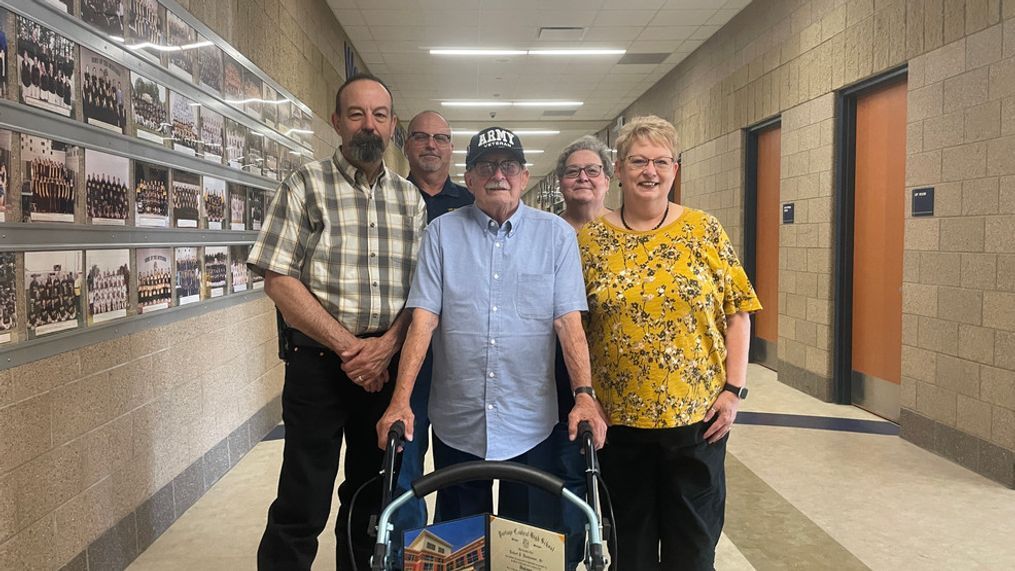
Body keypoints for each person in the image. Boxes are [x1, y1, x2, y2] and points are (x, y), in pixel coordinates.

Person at [377, 126, 608, 529]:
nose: (497, 175)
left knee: (527, 542)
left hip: (532, 420)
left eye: (508, 165)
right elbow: (423, 319)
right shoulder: (440, 234)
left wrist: (584, 396)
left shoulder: (555, 236)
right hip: (459, 418)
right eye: (485, 166)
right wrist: (400, 401)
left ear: (523, 176)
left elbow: (568, 321)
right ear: (468, 181)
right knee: (462, 539)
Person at [248, 73, 427, 571]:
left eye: (379, 115)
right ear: (336, 122)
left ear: (392, 124)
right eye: (356, 114)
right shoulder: (305, 184)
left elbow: (423, 290)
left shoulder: (409, 200)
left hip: (382, 370)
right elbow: (278, 278)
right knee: (303, 499)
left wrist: (388, 346)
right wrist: (352, 348)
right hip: (320, 364)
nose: (368, 125)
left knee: (371, 498)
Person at [578, 115, 761, 570]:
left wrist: (733, 391)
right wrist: (584, 397)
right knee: (630, 553)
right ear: (617, 170)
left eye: (661, 161)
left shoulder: (704, 231)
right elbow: (572, 327)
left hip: (697, 422)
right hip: (618, 425)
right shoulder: (589, 241)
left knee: (693, 551)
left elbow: (737, 312)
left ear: (675, 169)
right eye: (638, 161)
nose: (650, 171)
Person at [390, 110, 474, 534]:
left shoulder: (469, 204)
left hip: (456, 357)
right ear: (406, 144)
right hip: (402, 351)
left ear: (451, 147)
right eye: (421, 137)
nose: (431, 145)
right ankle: (406, 548)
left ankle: (452, 548)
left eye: (441, 138)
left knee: (457, 464)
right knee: (403, 462)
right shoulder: (387, 198)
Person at [549, 135, 613, 570]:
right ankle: (567, 557)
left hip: (613, 372)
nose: (583, 178)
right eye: (573, 171)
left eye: (593, 170)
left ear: (609, 180)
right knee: (566, 472)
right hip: (553, 370)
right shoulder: (545, 231)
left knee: (609, 477)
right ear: (560, 182)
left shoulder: (625, 230)